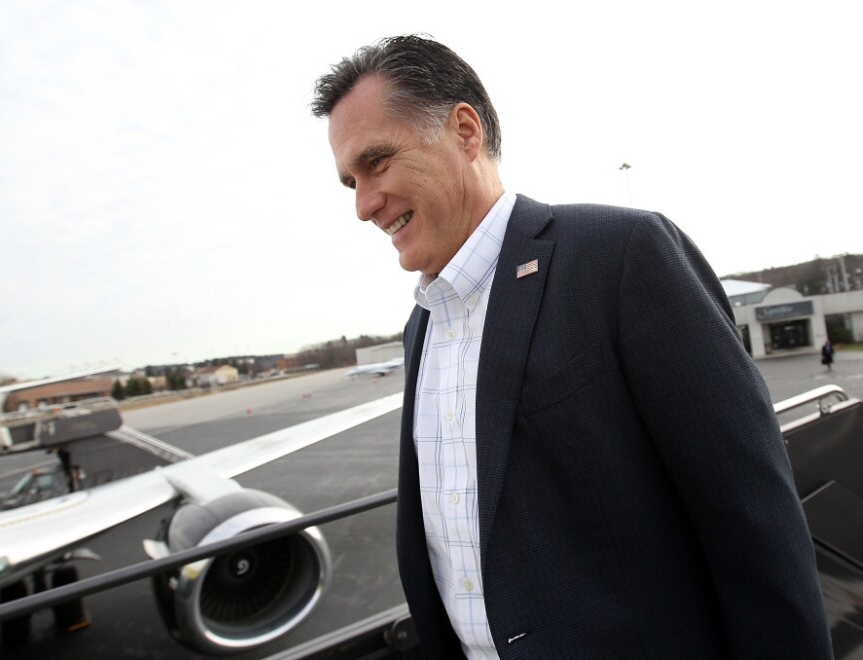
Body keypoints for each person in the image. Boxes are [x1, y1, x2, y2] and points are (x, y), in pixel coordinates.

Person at [312, 36, 832, 659]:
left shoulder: (622, 257)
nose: (365, 205)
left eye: (377, 162)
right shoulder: (421, 326)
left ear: (465, 132)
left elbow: (754, 523)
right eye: (350, 181)